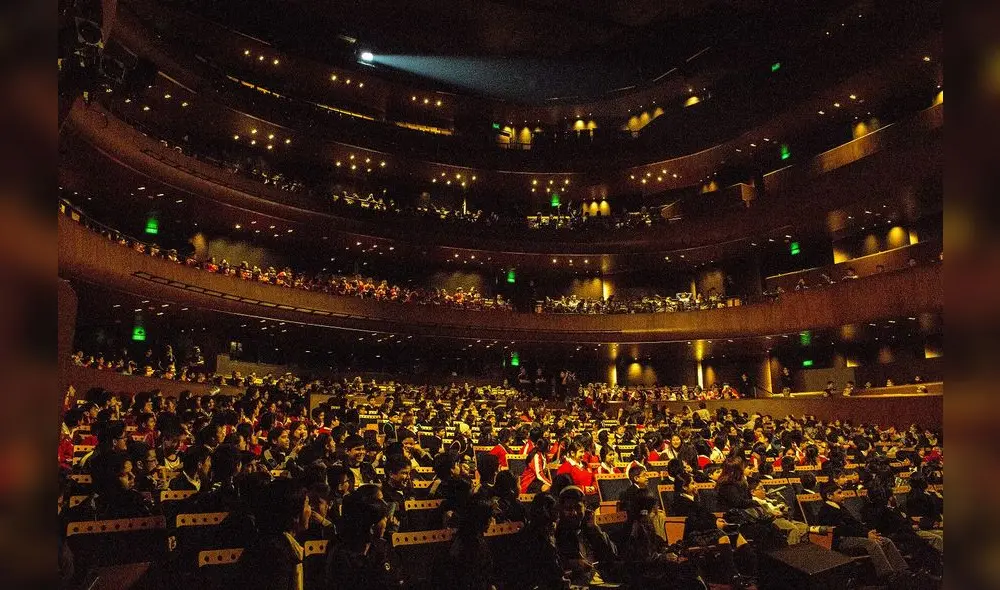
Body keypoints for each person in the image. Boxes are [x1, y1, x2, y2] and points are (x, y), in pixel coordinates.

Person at [816, 482, 910, 583]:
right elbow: (843, 529)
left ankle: (902, 571)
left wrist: (868, 532)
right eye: (839, 493)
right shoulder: (826, 511)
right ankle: (887, 575)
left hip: (855, 536)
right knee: (872, 543)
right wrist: (866, 534)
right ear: (829, 496)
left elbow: (855, 523)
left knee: (885, 541)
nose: (843, 495)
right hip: (840, 540)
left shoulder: (841, 507)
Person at [240, 480, 311, 590]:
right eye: (307, 504)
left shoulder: (280, 543)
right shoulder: (275, 554)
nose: (310, 509)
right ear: (294, 514)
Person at [325, 488, 401, 590]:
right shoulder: (341, 554)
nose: (386, 522)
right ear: (371, 527)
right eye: (383, 518)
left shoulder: (381, 547)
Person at [555, 486, 617, 585]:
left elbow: (612, 554)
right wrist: (574, 563)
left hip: (601, 580)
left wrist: (595, 529)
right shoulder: (558, 532)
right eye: (569, 509)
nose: (574, 513)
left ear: (585, 505)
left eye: (578, 507)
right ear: (562, 510)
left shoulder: (590, 527)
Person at [436, 498, 496, 590]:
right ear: (480, 520)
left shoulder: (462, 537)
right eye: (489, 517)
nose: (491, 520)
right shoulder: (473, 545)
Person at [511, 494, 567, 590]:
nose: (558, 514)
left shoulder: (528, 531)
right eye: (555, 510)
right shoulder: (541, 537)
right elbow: (552, 571)